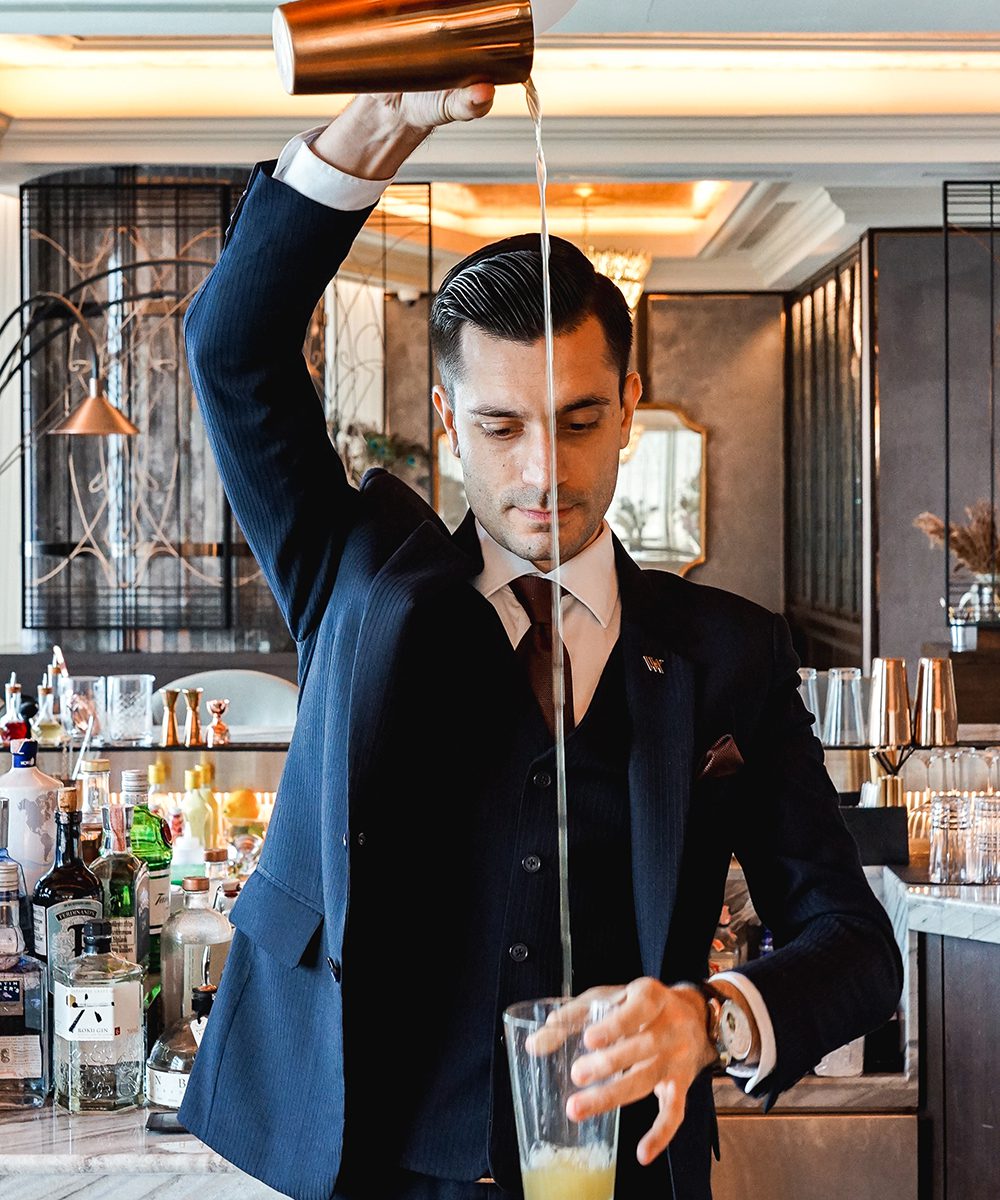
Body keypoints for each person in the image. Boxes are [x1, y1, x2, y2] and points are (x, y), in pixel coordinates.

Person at [178, 83, 903, 1200]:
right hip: (376, 1166)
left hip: (629, 1178)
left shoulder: (730, 654)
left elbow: (854, 944)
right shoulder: (357, 580)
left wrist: (710, 1018)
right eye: (501, 426)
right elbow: (233, 351)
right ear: (446, 414)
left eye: (577, 422)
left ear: (628, 404)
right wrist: (385, 119)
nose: (542, 474)